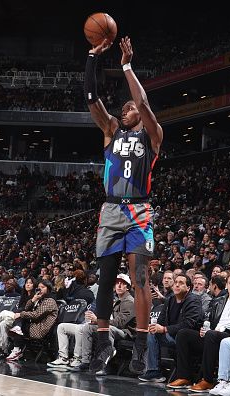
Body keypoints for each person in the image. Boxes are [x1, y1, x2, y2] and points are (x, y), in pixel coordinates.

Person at [84, 35, 163, 375]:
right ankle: (103, 343)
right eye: (125, 107)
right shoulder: (111, 131)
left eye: (131, 108)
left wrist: (126, 65)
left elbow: (143, 103)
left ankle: (142, 346)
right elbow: (91, 97)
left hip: (139, 211)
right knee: (104, 279)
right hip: (111, 209)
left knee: (140, 277)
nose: (127, 109)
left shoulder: (153, 134)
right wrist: (92, 57)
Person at [168, 274, 230, 392]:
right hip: (212, 335)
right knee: (183, 334)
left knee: (211, 335)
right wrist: (203, 328)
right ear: (226, 285)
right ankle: (184, 377)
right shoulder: (218, 301)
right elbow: (208, 319)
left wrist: (219, 330)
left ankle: (207, 380)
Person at [138, 273, 202, 383]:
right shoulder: (170, 300)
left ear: (188, 288)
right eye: (176, 282)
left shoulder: (194, 300)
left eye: (181, 283)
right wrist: (154, 326)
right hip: (172, 336)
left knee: (176, 334)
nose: (177, 285)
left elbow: (188, 324)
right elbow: (161, 320)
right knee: (151, 332)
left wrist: (164, 329)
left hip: (189, 338)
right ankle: (154, 371)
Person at [5, 280, 58, 361]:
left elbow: (36, 315)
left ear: (49, 289)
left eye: (43, 287)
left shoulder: (50, 301)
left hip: (40, 329)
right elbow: (26, 308)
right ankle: (15, 349)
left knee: (18, 321)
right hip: (33, 325)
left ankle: (16, 350)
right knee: (14, 322)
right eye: (38, 288)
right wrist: (33, 299)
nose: (40, 290)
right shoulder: (40, 299)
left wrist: (21, 314)